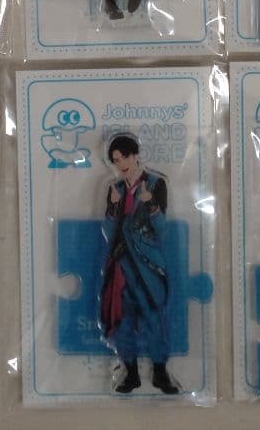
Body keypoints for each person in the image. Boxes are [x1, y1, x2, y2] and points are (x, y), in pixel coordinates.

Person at [99, 133, 178, 395]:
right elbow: (109, 231)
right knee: (122, 320)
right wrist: (113, 208)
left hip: (147, 265)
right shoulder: (116, 189)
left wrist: (150, 204)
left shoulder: (155, 184)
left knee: (154, 317)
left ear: (134, 155)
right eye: (115, 160)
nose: (120, 164)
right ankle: (130, 372)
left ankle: (160, 372)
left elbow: (162, 229)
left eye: (123, 157)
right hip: (121, 265)